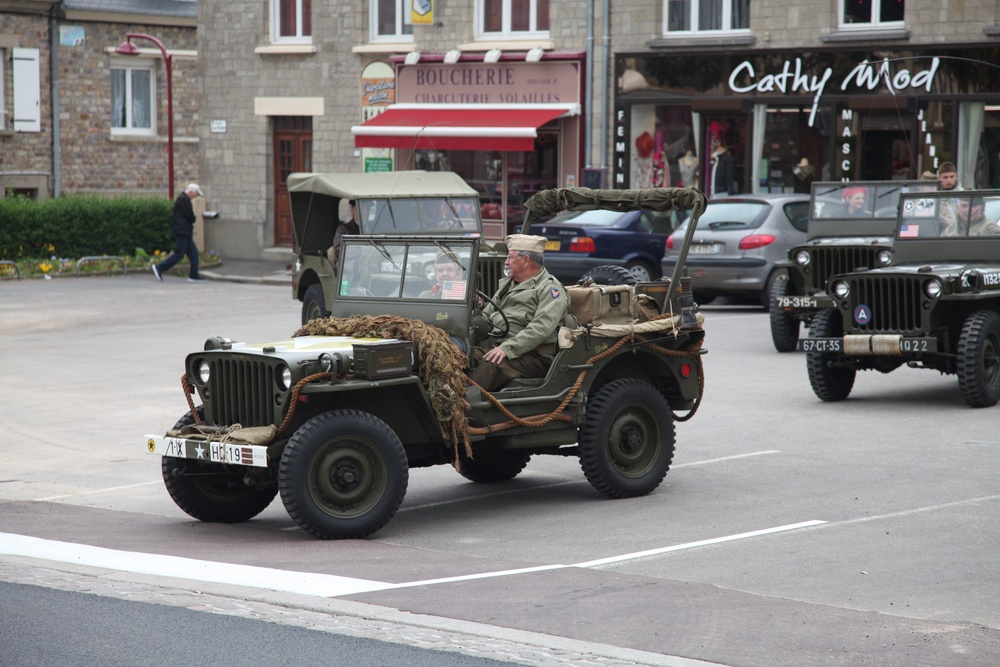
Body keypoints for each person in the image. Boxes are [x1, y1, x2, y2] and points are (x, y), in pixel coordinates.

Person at [469, 234, 568, 392]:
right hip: (501, 348)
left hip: (534, 356)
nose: (506, 262)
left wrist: (507, 349)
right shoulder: (508, 284)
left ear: (526, 260)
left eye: (510, 257)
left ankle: (460, 407)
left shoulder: (550, 289)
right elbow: (487, 316)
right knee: (462, 355)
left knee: (491, 364)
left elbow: (540, 328)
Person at [152, 183, 205, 283]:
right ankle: (160, 268)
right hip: (182, 231)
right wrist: (193, 218)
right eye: (196, 194)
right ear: (191, 192)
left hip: (185, 231)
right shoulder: (183, 200)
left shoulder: (183, 199)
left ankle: (194, 275)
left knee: (194, 253)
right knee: (179, 254)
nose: (196, 196)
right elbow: (189, 215)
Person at [328, 199, 360, 275]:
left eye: (367, 209)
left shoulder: (373, 229)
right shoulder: (343, 229)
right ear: (353, 209)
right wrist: (359, 250)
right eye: (362, 208)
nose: (365, 212)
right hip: (351, 268)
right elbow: (338, 250)